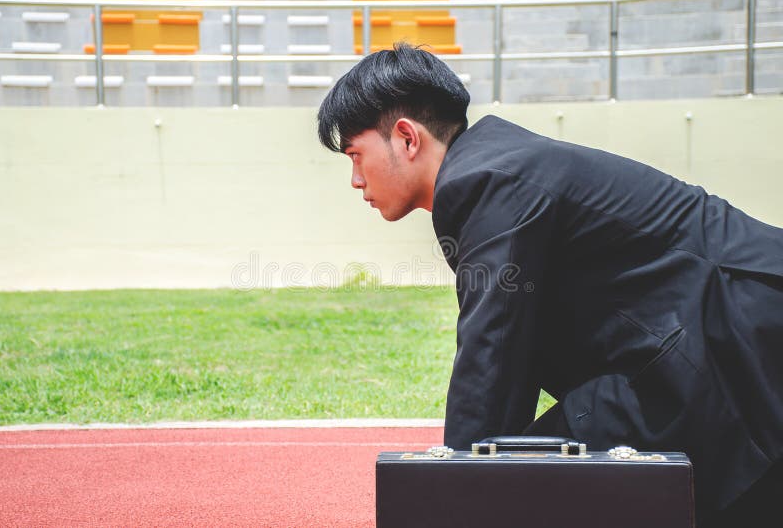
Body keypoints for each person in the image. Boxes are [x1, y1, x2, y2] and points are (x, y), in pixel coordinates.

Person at [317, 43, 782, 527]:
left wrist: (451, 494)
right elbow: (511, 356)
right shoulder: (495, 167)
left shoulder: (484, 180)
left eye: (356, 155)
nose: (355, 179)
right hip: (713, 344)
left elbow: (491, 355)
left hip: (736, 335)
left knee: (537, 481)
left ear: (407, 138)